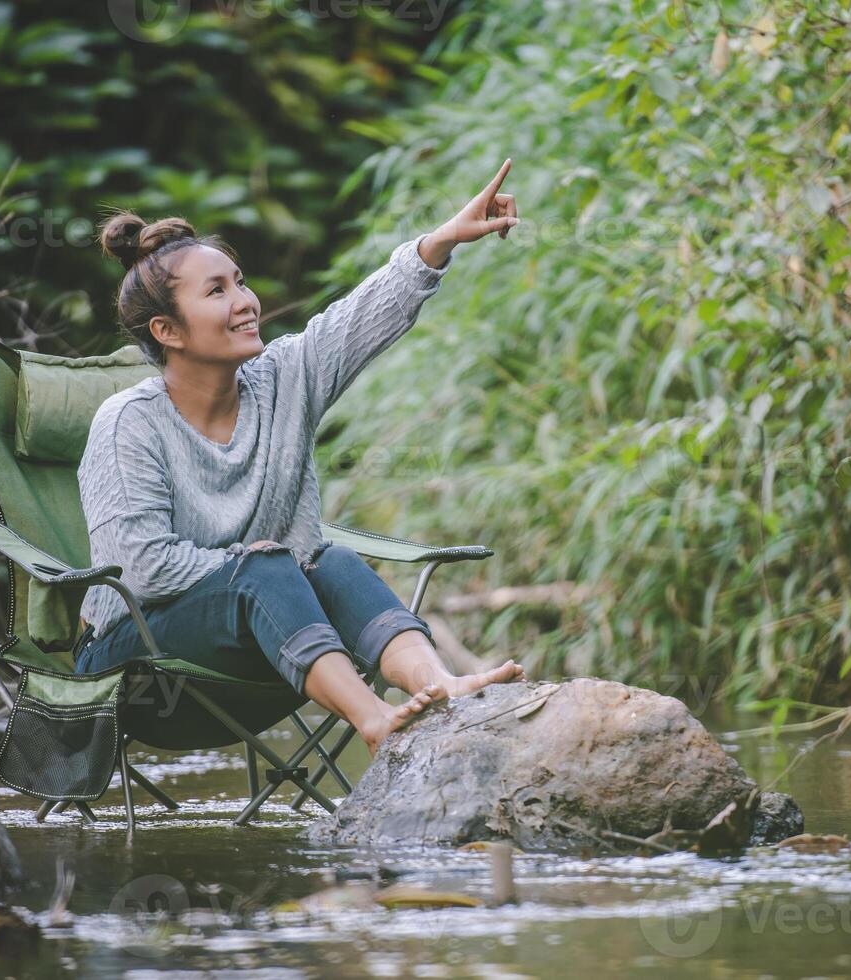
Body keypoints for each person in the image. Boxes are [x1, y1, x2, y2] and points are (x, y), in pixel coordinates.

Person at [73, 159, 524, 755]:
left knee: (330, 562)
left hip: (259, 651)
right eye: (217, 291)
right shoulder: (128, 423)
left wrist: (438, 241)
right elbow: (144, 571)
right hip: (138, 668)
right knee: (270, 568)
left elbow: (360, 318)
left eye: (240, 281)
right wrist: (257, 565)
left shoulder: (283, 378)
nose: (246, 301)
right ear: (167, 330)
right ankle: (375, 720)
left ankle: (439, 684)